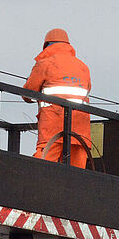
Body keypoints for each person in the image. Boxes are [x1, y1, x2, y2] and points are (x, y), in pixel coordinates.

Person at [23, 28, 91, 167]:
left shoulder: (45, 63)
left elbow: (28, 94)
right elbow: (87, 89)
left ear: (47, 45)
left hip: (53, 126)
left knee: (43, 169)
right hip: (80, 128)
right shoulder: (83, 67)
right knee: (77, 175)